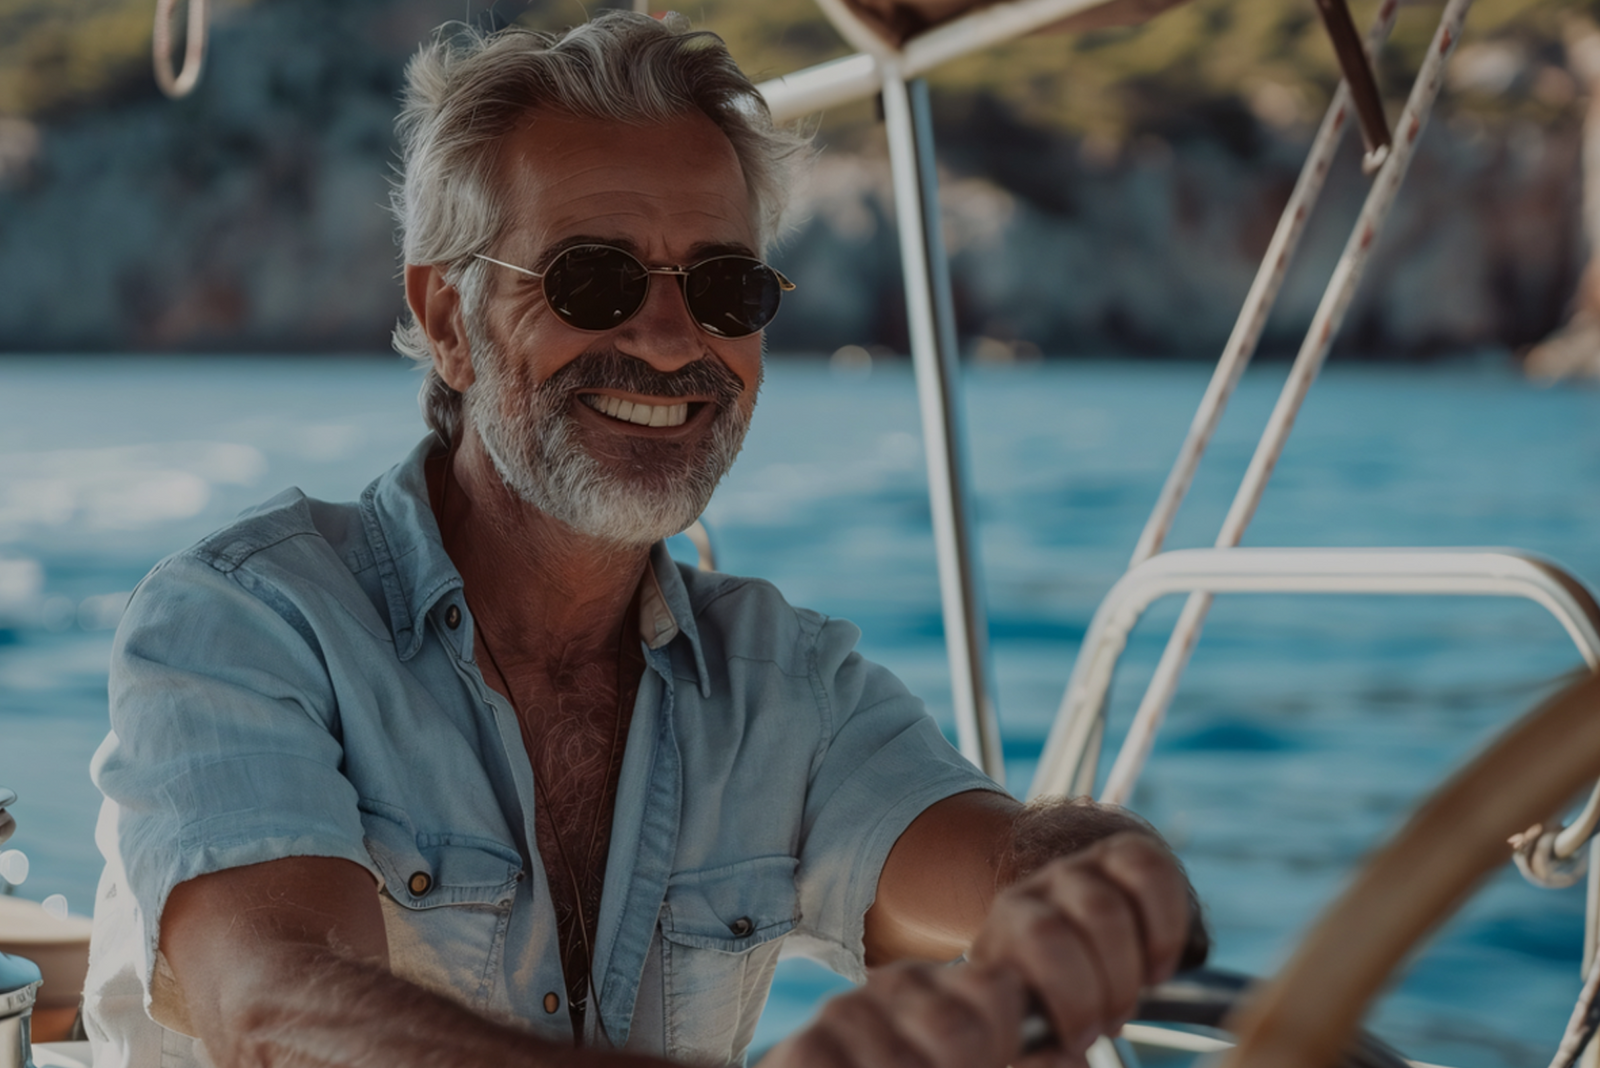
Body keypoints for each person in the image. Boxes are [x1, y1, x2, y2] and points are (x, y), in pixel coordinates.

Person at [82, 12, 1202, 1068]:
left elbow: (986, 861)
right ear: (445, 324)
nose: (671, 343)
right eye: (592, 279)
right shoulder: (246, 622)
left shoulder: (783, 685)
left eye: (724, 288)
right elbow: (280, 1013)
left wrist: (1092, 881)